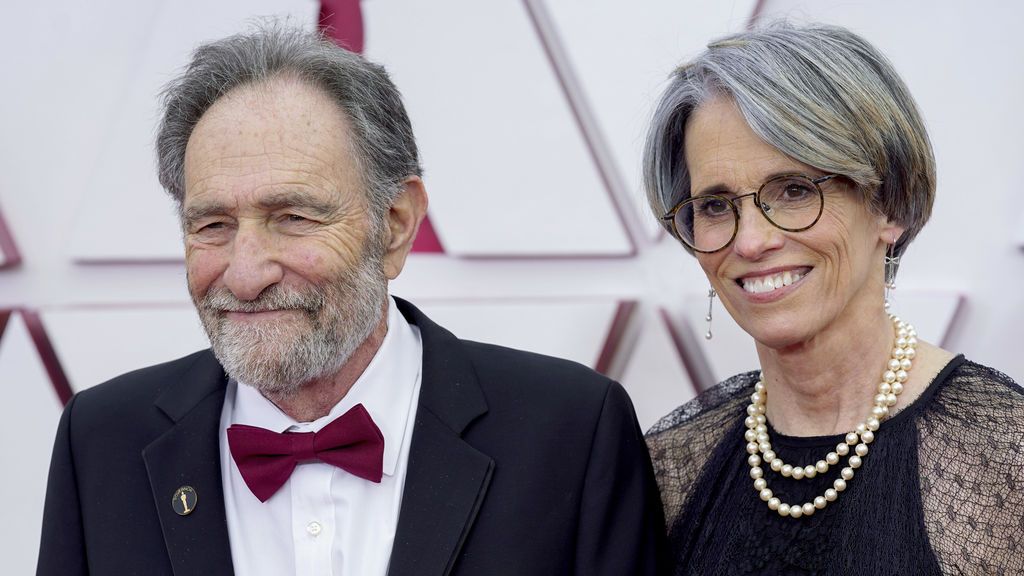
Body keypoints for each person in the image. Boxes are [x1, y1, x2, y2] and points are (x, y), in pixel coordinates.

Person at [37, 24, 667, 576]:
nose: (246, 273)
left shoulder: (571, 433)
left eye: (293, 217)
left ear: (395, 225)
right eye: (212, 225)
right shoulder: (101, 444)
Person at [642, 22, 1024, 575]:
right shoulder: (671, 463)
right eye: (716, 206)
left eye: (794, 190)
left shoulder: (1006, 456)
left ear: (890, 203)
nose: (751, 242)